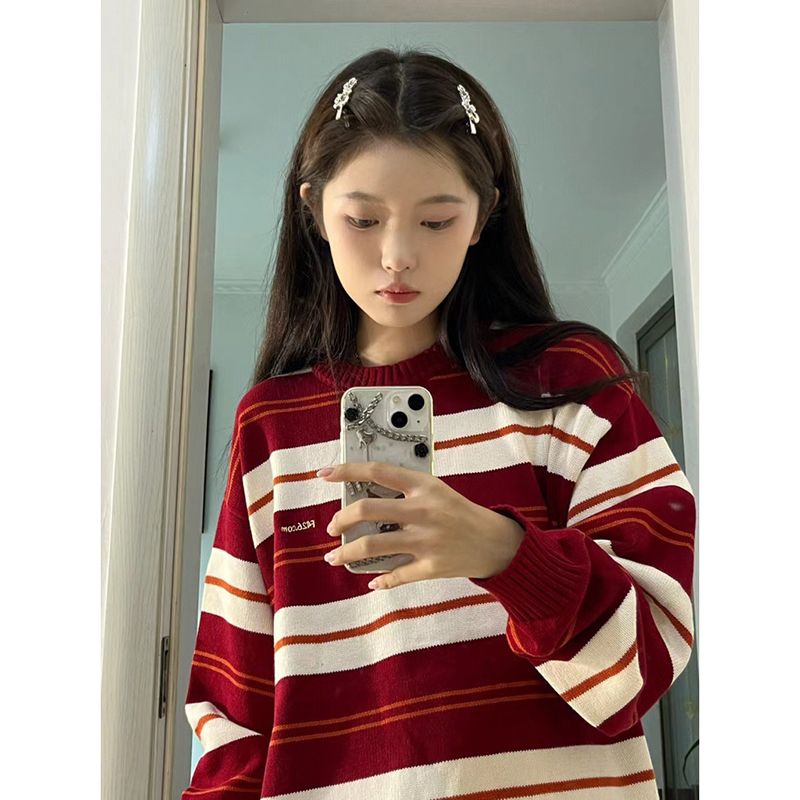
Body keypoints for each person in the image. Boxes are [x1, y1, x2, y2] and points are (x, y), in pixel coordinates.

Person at [181, 46, 695, 799]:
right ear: (314, 211)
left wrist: (507, 556)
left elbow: (646, 667)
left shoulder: (568, 383)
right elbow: (234, 715)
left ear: (483, 217)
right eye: (363, 219)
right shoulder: (271, 426)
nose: (398, 256)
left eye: (436, 220)